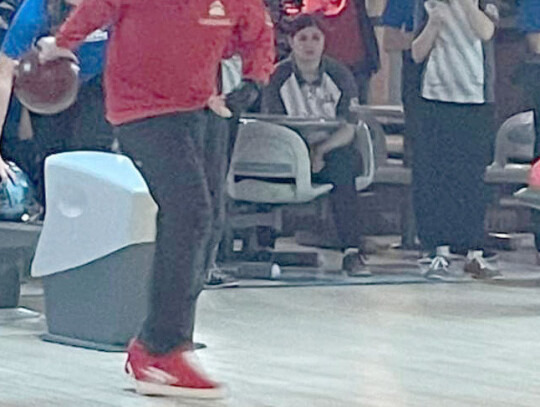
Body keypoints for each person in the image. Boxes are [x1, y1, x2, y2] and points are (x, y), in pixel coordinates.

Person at [37, 0, 275, 398]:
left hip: (201, 107)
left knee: (208, 222)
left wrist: (249, 88)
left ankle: (168, 344)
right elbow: (101, 6)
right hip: (140, 110)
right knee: (190, 211)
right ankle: (160, 348)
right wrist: (64, 43)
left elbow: (258, 34)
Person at [261, 13, 371, 277]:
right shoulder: (277, 77)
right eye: (303, 38)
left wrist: (320, 150)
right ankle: (263, 247)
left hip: (330, 150)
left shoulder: (340, 75)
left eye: (315, 38)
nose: (310, 45)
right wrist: (304, 153)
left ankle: (351, 252)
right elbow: (273, 125)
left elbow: (349, 125)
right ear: (291, 41)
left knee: (344, 164)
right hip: (289, 150)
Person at [411, 0, 500, 279]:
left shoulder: (483, 3)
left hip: (476, 99)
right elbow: (416, 52)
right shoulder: (427, 4)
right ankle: (439, 250)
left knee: (472, 177)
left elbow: (485, 32)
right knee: (437, 175)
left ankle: (474, 250)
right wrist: (434, 23)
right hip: (436, 97)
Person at [0, 0, 112, 204]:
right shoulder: (34, 12)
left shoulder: (115, 5)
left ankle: (97, 216)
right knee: (52, 159)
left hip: (100, 80)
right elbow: (3, 75)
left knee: (94, 152)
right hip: (49, 88)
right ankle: (50, 214)